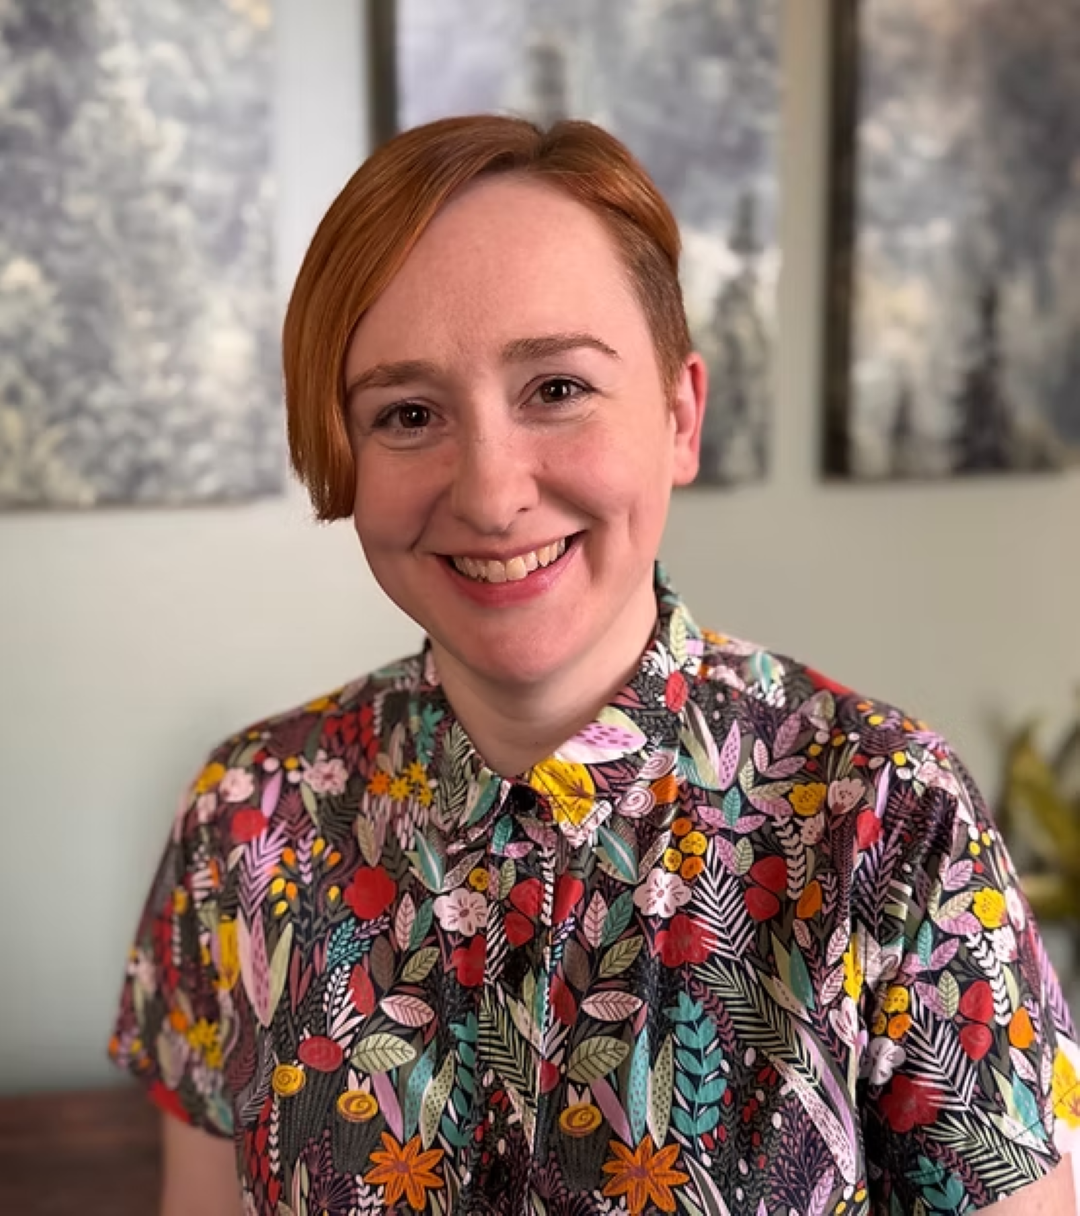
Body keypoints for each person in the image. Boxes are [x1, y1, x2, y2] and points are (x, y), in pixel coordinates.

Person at [109, 115, 1080, 1216]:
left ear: (679, 414)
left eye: (557, 389)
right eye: (408, 413)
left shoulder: (891, 820)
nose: (488, 491)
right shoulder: (245, 819)